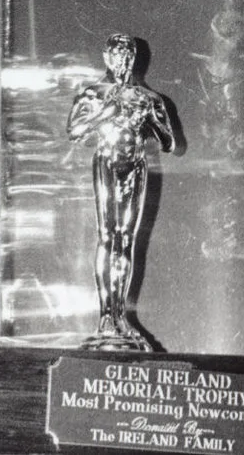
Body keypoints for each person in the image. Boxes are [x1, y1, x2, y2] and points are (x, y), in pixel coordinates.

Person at [67, 33, 176, 351]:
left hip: (136, 164)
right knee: (107, 237)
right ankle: (105, 317)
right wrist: (106, 113)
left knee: (126, 239)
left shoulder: (148, 97)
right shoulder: (93, 92)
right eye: (117, 56)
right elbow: (73, 132)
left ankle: (120, 318)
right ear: (107, 58)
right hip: (107, 161)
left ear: (135, 60)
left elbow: (168, 142)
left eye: (128, 56)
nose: (123, 62)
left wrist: (152, 119)